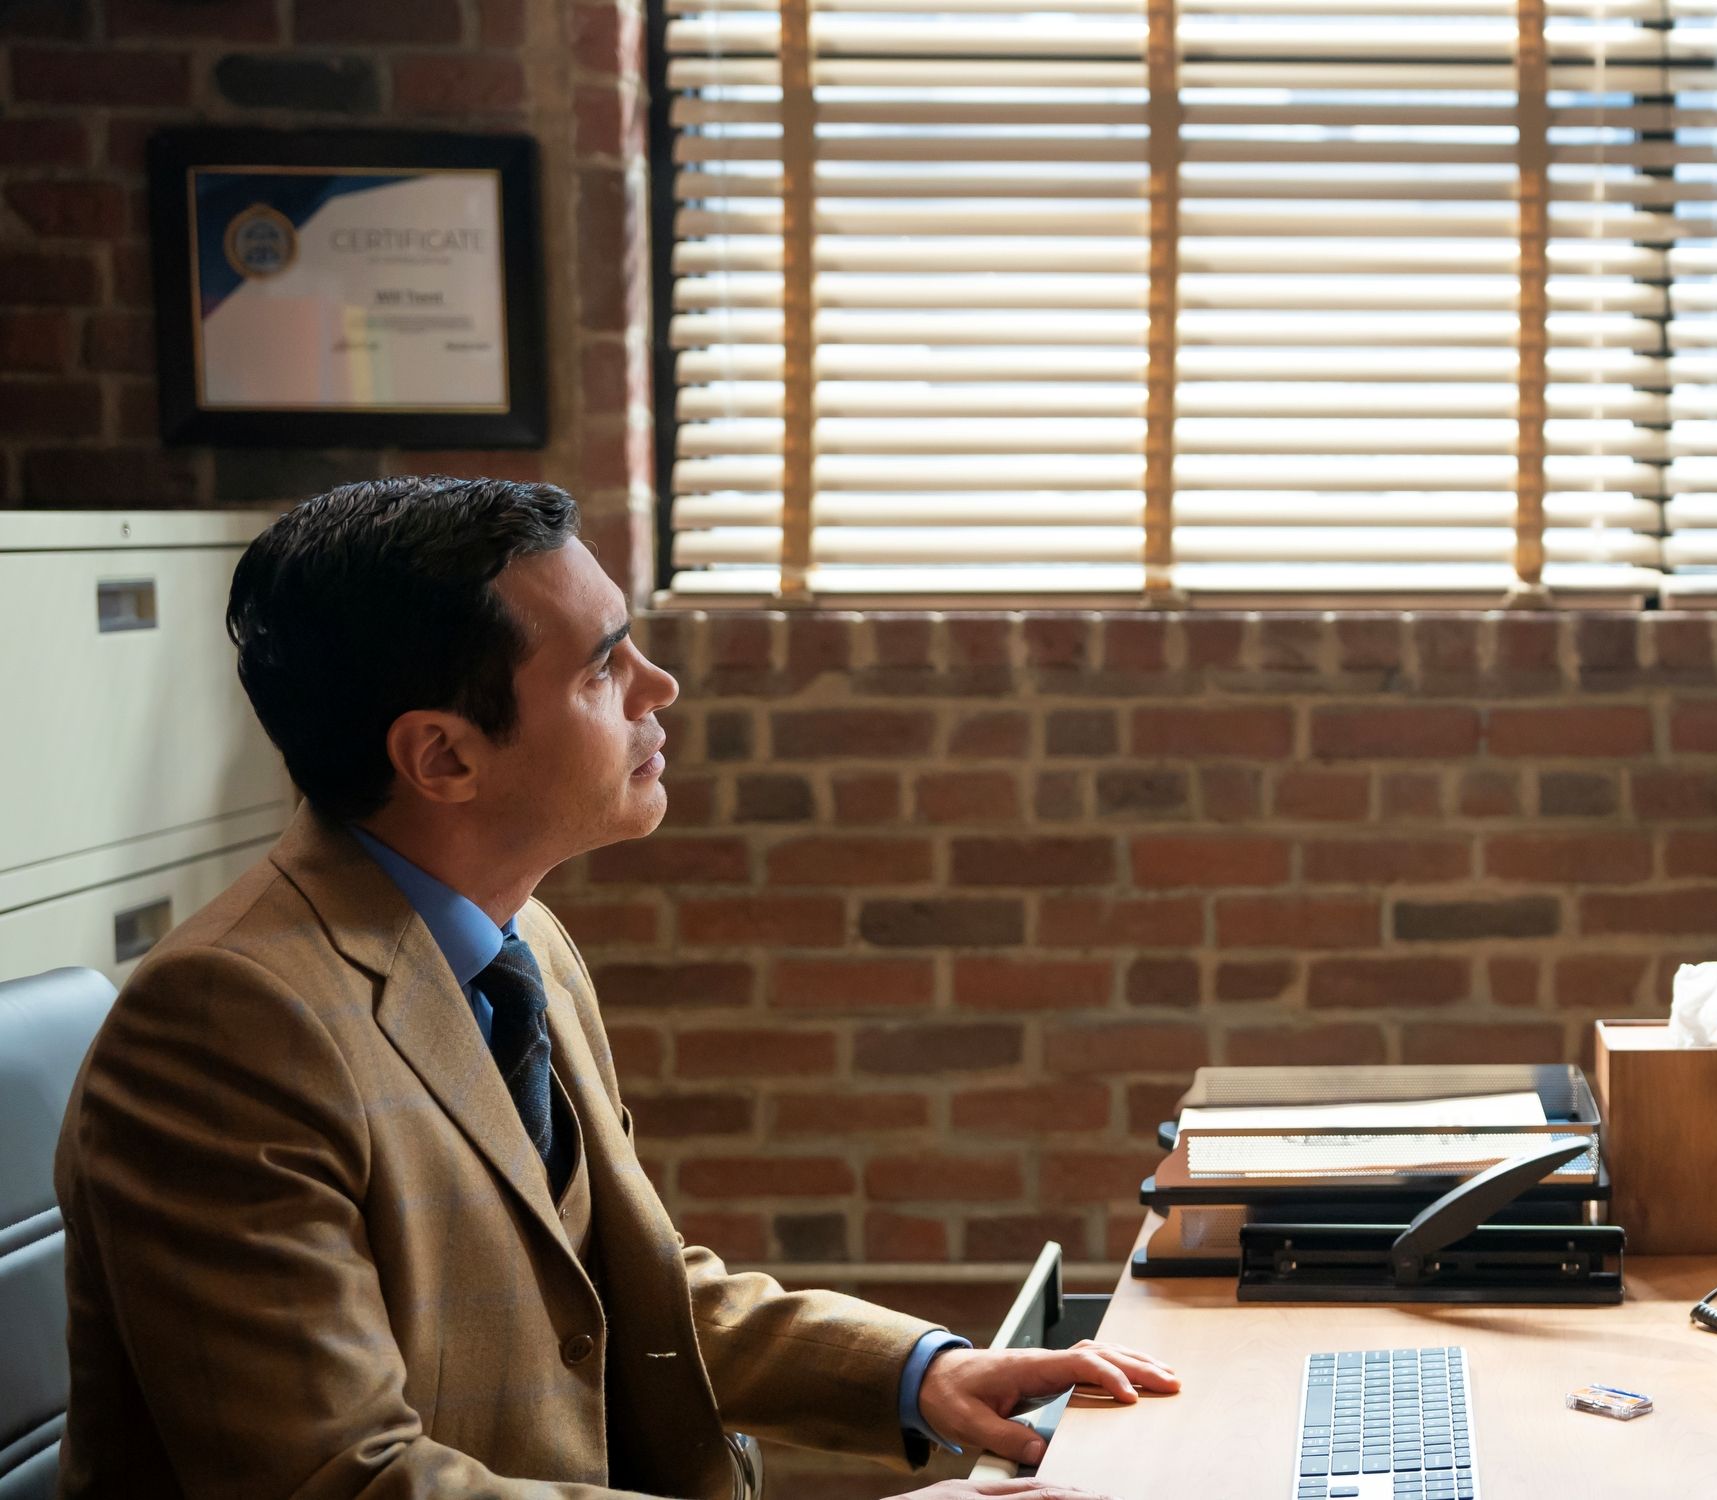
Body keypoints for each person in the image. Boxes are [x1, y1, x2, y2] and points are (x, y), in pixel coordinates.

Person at [54, 477, 1174, 1500]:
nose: (659, 685)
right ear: (443, 758)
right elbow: (343, 1480)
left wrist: (922, 1374)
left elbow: (618, 1288)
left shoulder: (515, 933)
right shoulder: (228, 1026)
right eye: (603, 667)